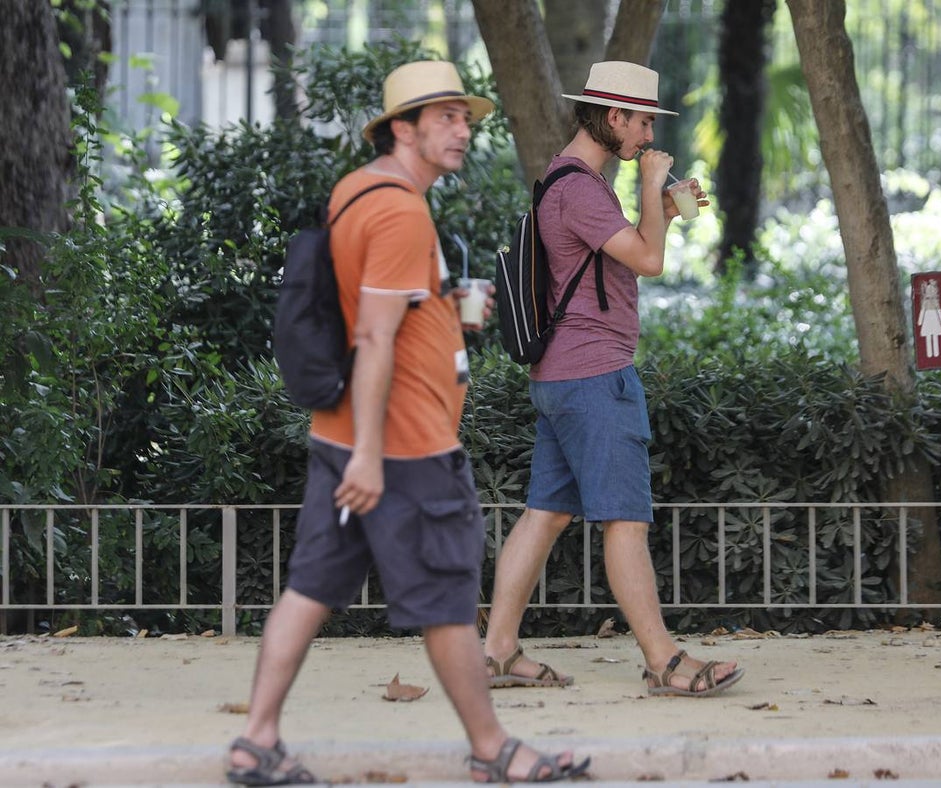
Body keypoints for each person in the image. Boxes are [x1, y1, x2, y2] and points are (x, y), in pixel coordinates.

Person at [226, 60, 589, 785]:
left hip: (344, 438)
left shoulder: (357, 190)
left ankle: (255, 741)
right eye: (446, 116)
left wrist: (445, 317)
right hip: (400, 449)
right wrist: (370, 454)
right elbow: (373, 339)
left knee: (309, 589)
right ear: (403, 128)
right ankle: (493, 751)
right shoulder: (398, 211)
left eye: (465, 117)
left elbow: (375, 314)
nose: (463, 130)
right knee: (450, 603)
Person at [483, 61, 744, 698]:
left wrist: (663, 208)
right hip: (596, 378)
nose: (647, 134)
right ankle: (664, 661)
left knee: (544, 514)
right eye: (642, 120)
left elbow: (630, 253)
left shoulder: (563, 178)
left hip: (561, 378)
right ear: (612, 116)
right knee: (624, 521)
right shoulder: (583, 189)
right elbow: (649, 261)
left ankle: (494, 652)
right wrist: (655, 188)